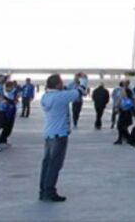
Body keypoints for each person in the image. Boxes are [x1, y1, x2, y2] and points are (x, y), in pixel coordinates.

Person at [39, 72, 88, 202]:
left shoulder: (47, 96)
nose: (63, 84)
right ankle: (50, 191)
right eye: (61, 82)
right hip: (59, 135)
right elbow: (80, 91)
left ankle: (43, 190)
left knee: (47, 163)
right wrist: (83, 79)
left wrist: (74, 80)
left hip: (49, 134)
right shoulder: (60, 97)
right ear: (57, 84)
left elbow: (66, 89)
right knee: (55, 164)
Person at [0, 81, 18, 146]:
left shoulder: (13, 92)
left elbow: (15, 100)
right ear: (7, 87)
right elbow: (4, 102)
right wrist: (9, 103)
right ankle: (1, 140)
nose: (12, 88)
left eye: (12, 87)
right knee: (5, 127)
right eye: (10, 87)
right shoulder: (4, 93)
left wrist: (15, 101)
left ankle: (4, 140)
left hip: (12, 112)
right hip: (5, 112)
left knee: (9, 128)